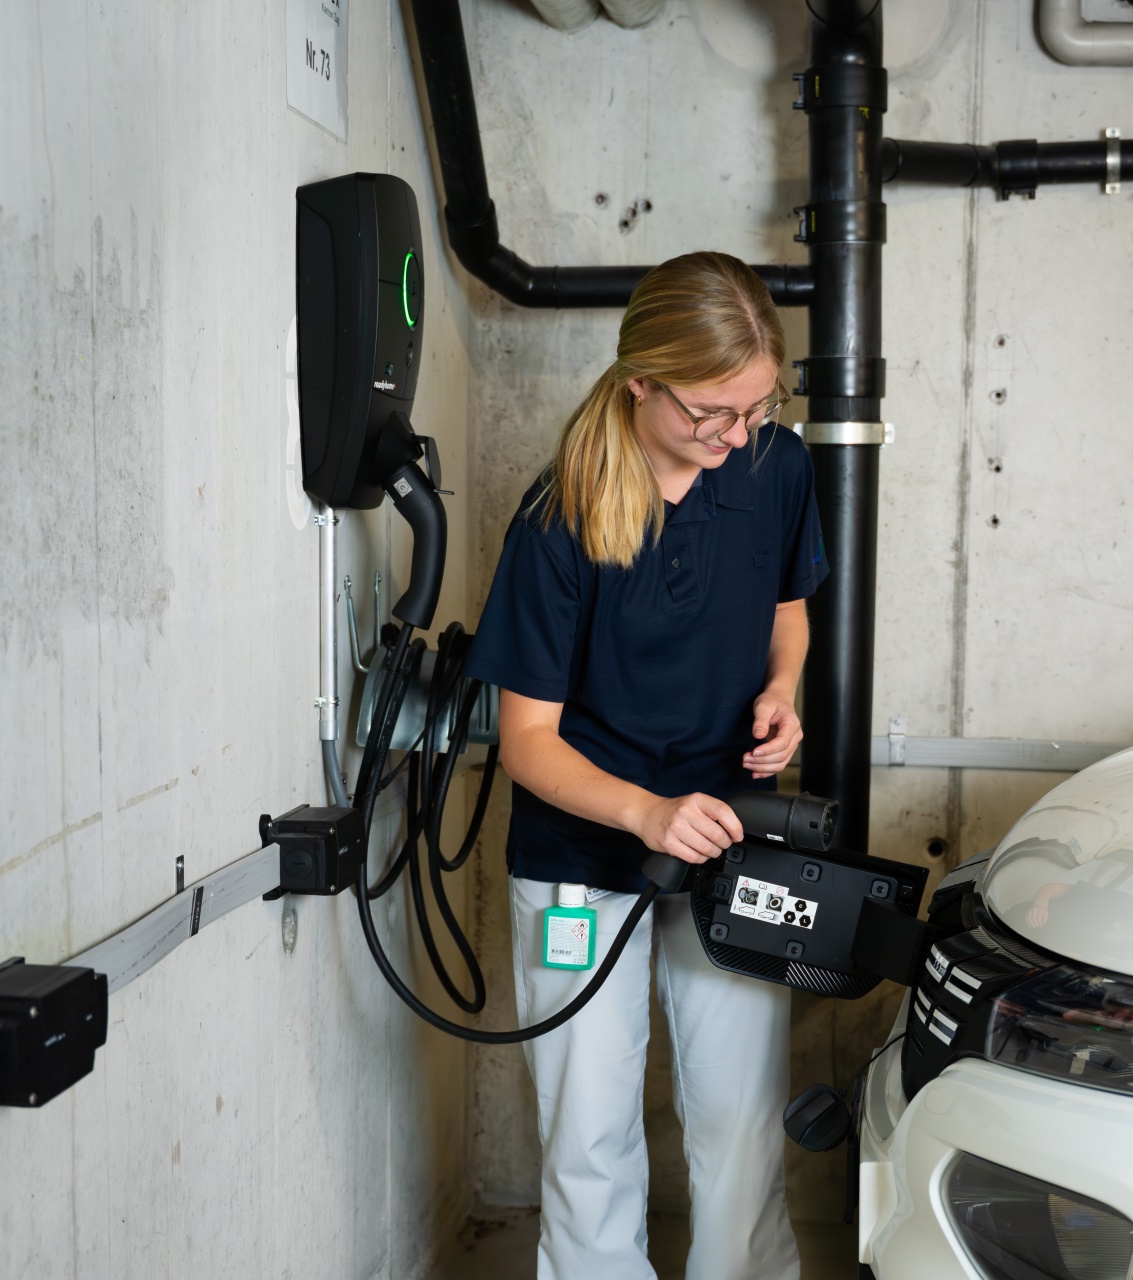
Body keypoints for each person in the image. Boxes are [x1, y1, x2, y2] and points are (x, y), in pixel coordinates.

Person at [463, 250, 827, 1280]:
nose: (735, 435)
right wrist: (647, 813)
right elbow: (527, 742)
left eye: (755, 408)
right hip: (582, 851)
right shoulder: (557, 521)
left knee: (740, 1118)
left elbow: (788, 609)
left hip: (734, 835)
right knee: (588, 1131)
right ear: (641, 382)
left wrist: (783, 689)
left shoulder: (773, 465)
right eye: (712, 411)